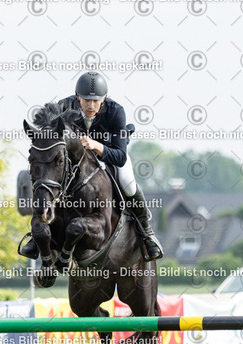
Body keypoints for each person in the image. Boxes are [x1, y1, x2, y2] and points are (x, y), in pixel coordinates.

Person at [20, 71, 163, 261]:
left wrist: (96, 145)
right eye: (86, 100)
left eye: (96, 101)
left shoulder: (116, 111)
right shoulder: (64, 106)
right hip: (74, 162)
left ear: (104, 98)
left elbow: (120, 157)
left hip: (109, 154)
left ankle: (146, 231)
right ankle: (36, 234)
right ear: (77, 96)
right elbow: (49, 139)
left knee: (127, 181)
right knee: (49, 178)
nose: (91, 105)